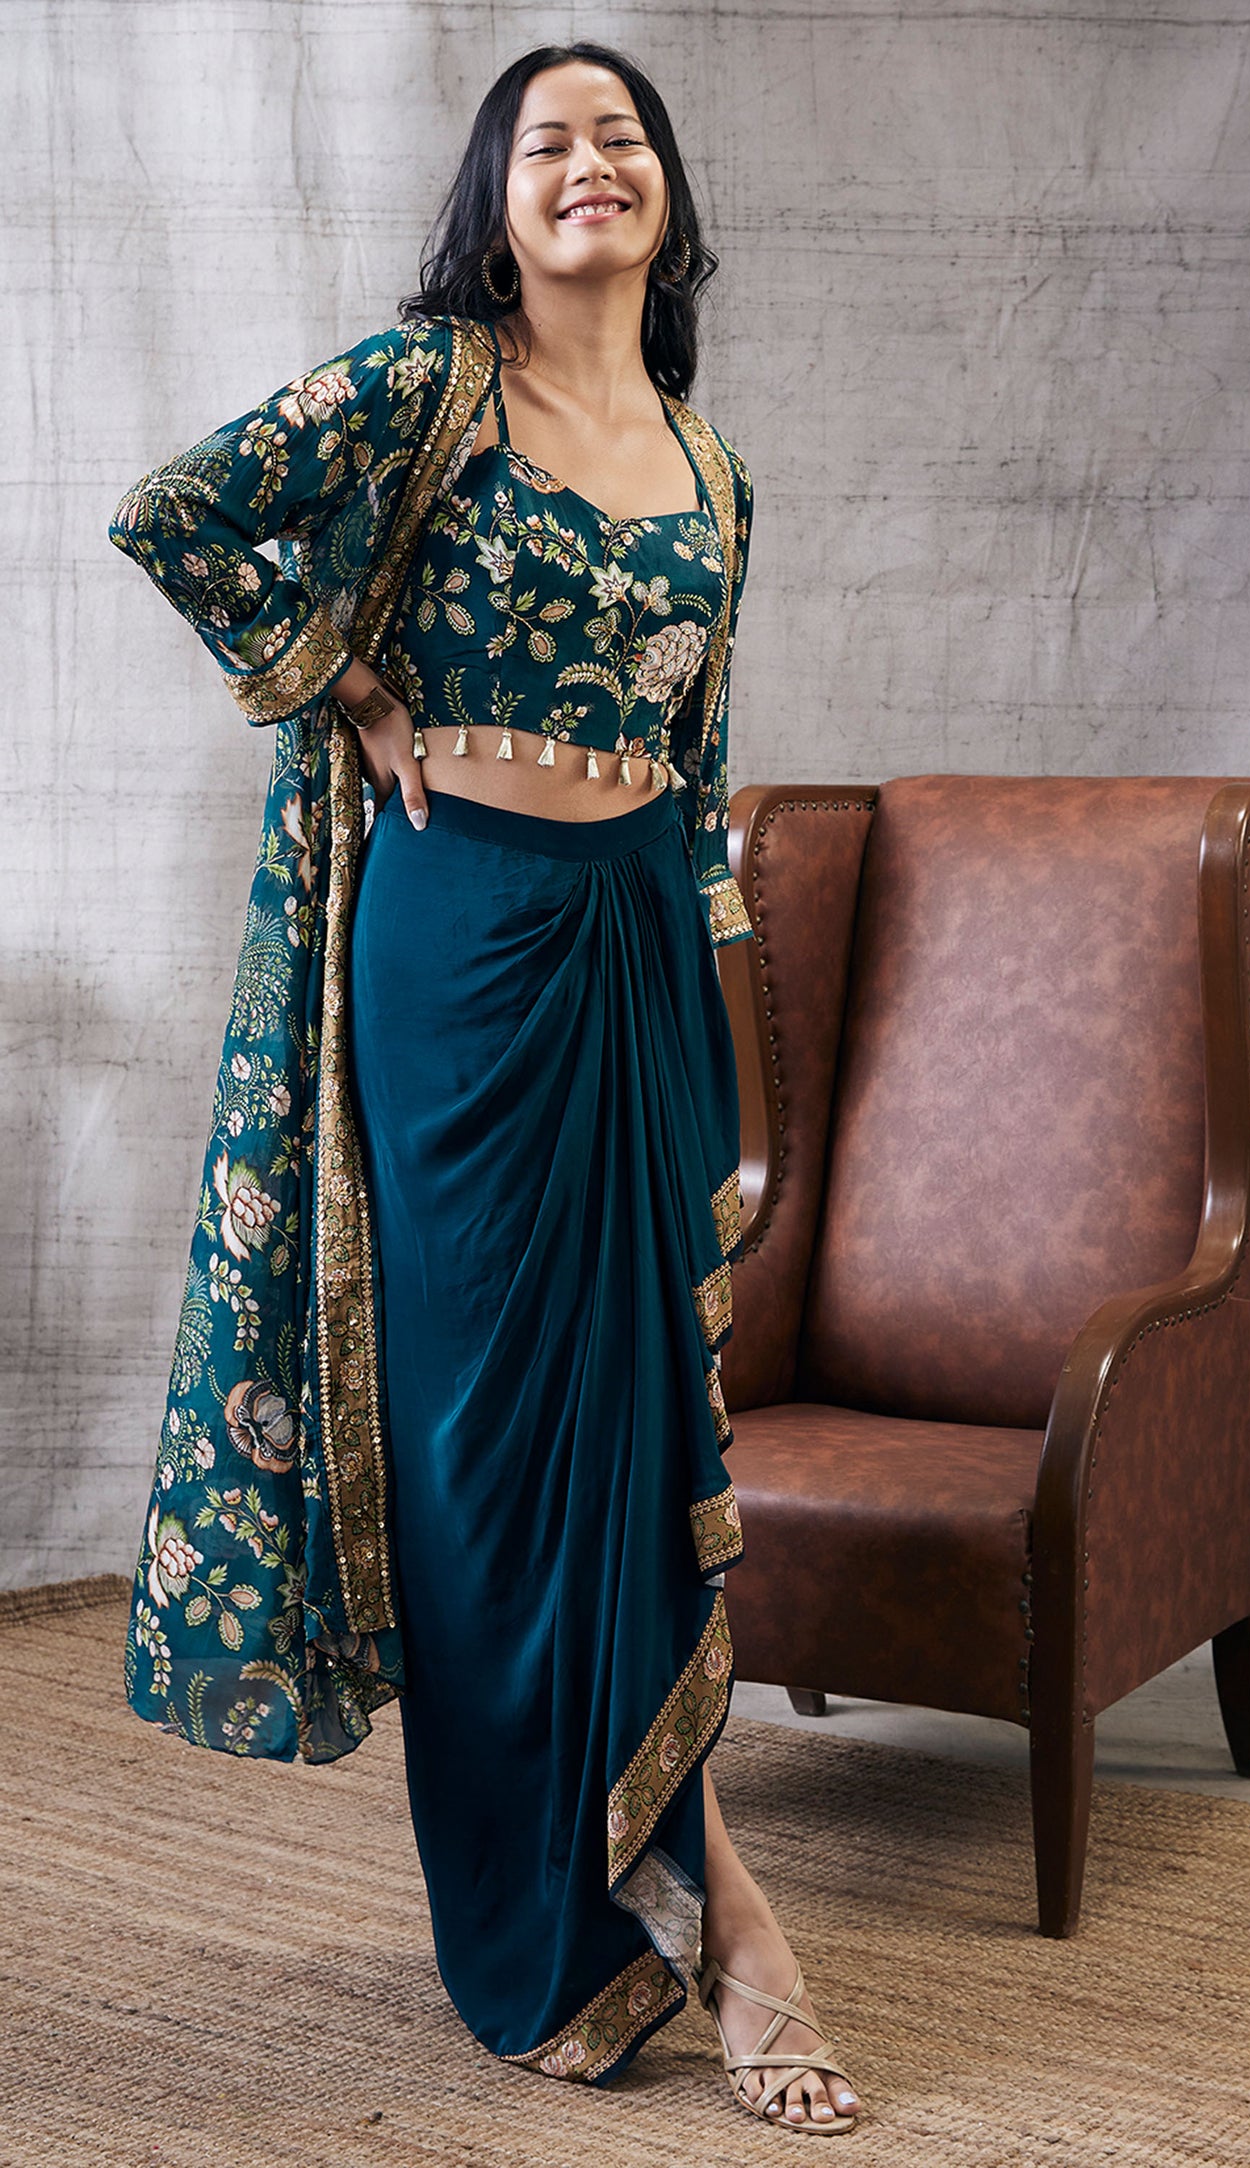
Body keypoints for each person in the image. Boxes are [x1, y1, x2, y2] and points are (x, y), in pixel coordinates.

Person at [109, 39, 861, 2136]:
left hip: (633, 955)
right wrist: (342, 680)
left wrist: (725, 1038)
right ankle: (567, 1934)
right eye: (548, 142)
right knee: (479, 1455)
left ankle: (705, 1902)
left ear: (665, 193)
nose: (589, 164)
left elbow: (701, 783)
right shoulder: (431, 388)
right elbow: (177, 513)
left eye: (622, 137)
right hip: (460, 955)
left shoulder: (713, 470)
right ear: (496, 199)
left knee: (629, 1443)